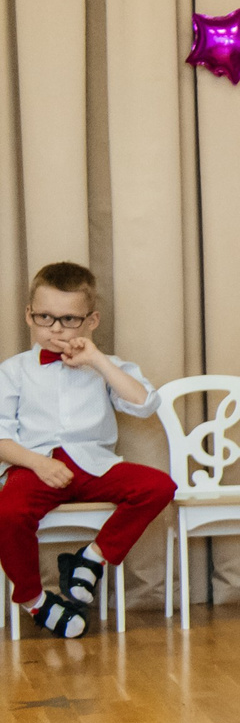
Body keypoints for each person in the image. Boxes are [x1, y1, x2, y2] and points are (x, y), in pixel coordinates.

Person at [0, 263, 173, 637]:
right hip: (36, 465)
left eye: (69, 319)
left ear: (92, 321)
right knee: (8, 512)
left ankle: (91, 558)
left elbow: (145, 403)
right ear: (29, 316)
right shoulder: (13, 371)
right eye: (45, 317)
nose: (56, 329)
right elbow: (0, 436)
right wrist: (36, 464)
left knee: (158, 486)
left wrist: (97, 361)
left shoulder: (105, 366)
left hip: (94, 466)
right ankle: (34, 600)